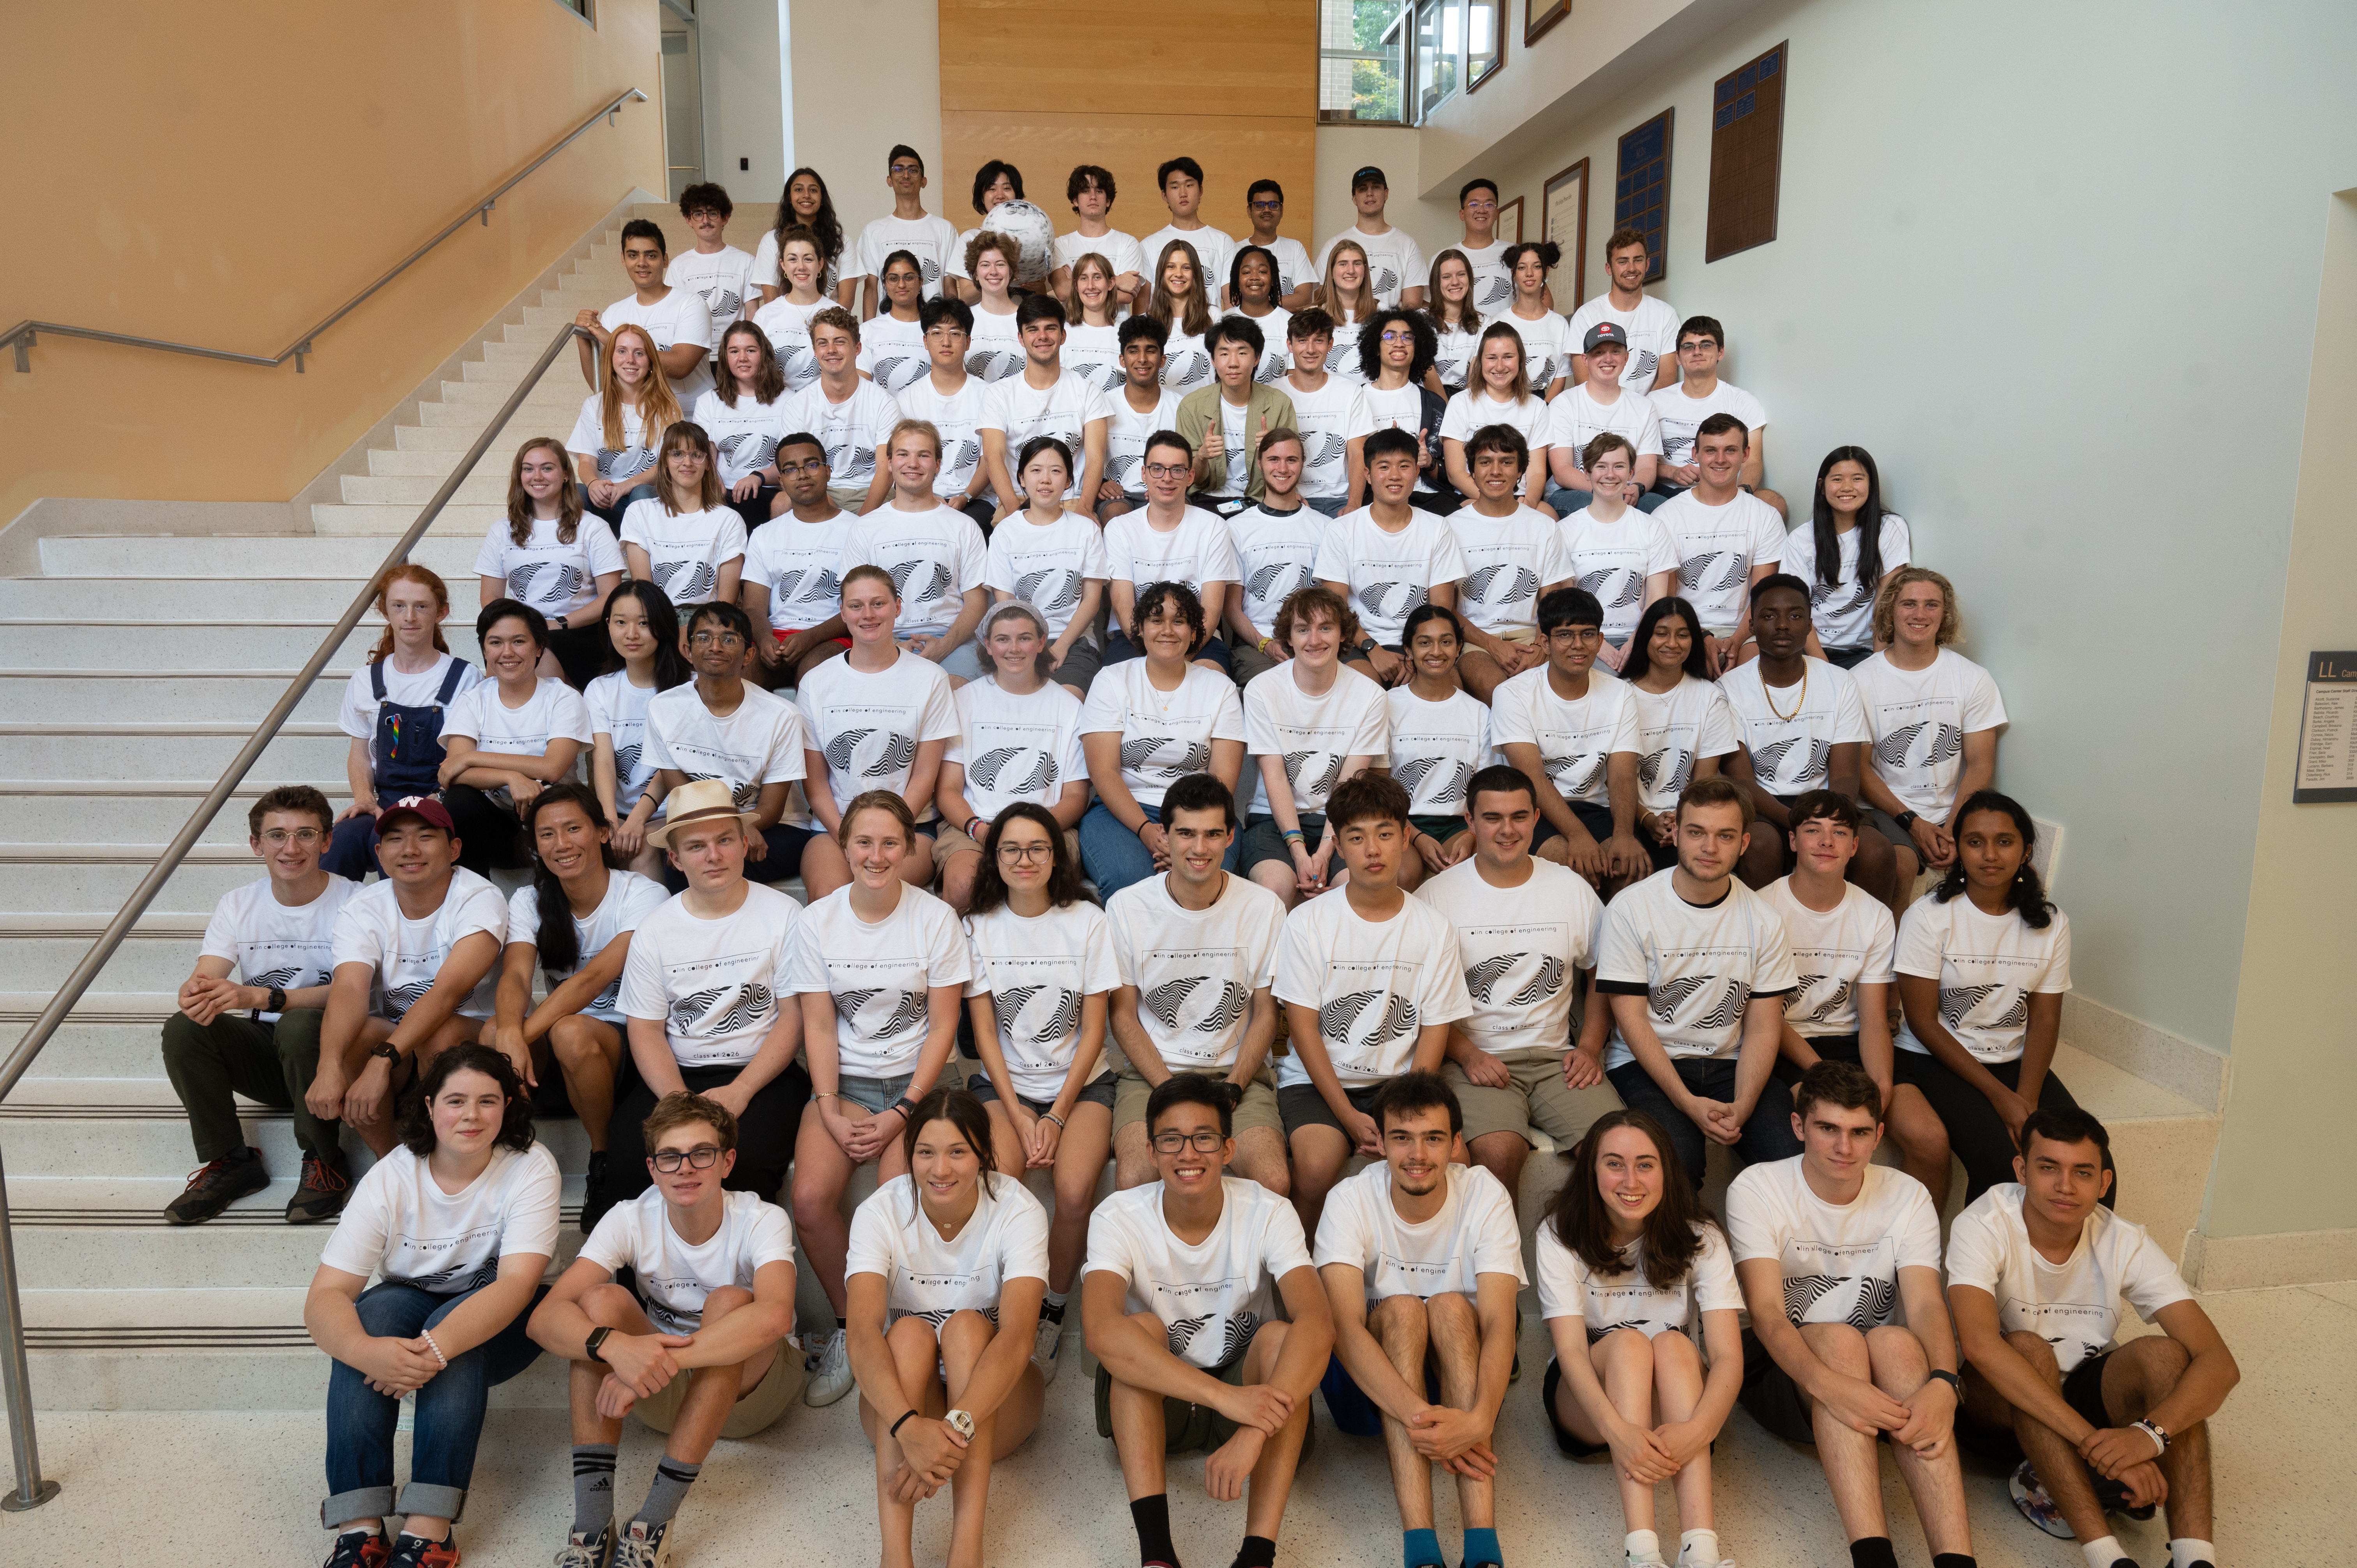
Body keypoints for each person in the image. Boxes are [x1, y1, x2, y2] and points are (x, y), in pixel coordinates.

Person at [1948, 1108, 2235, 1568]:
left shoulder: (2124, 1240)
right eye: (2049, 1168)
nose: (2066, 1185)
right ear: (2022, 1170)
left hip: (2077, 1393)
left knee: (2166, 1356)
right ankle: (2107, 1556)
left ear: (2103, 1183)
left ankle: (2196, 1558)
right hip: (1994, 1409)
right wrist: (2100, 1448)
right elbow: (1981, 1345)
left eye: (2082, 1172)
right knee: (2026, 1349)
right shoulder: (1983, 1224)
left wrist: (2148, 1437)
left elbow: (2219, 1363)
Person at [305, 1045, 557, 1568]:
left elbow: (515, 1286)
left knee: (457, 1331)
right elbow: (325, 1298)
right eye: (456, 1100)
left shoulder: (530, 1167)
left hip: (509, 1319)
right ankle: (360, 1528)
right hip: (410, 1303)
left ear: (508, 1107)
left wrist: (433, 1350)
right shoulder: (392, 1178)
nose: (471, 1115)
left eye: (488, 1101)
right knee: (370, 1318)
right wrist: (367, 1353)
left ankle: (429, 1529)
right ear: (428, 1107)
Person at [530, 1090, 803, 1568]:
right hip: (660, 1393)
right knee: (597, 1303)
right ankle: (592, 1525)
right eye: (670, 1157)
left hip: (751, 1395)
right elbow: (545, 1318)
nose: (685, 1168)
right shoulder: (630, 1217)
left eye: (702, 1153)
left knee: (731, 1302)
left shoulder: (762, 1218)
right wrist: (612, 1345)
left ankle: (653, 1523)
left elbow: (777, 1315)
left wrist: (664, 1358)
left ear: (727, 1161)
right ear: (653, 1168)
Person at [1725, 1060, 1974, 1568]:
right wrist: (1827, 1382)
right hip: (1786, 1371)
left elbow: (1927, 1304)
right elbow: (1769, 1315)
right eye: (1828, 1130)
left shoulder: (1908, 1195)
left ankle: (1957, 1561)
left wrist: (1945, 1383)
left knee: (1899, 1342)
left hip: (1877, 1384)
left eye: (1860, 1133)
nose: (1845, 1148)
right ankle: (1873, 1558)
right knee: (1841, 1341)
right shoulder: (1757, 1188)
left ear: (1880, 1134)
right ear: (1799, 1127)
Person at [1083, 1074, 1333, 1568]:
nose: (1188, 1153)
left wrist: (1254, 1430)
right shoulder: (1118, 1215)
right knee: (1136, 1335)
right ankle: (1157, 1556)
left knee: (1284, 1338)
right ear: (1152, 1152)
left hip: (1248, 1401)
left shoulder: (1270, 1211)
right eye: (1171, 1139)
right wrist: (1223, 1396)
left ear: (1228, 1148)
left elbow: (1319, 1323)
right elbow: (1100, 1330)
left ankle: (1258, 1554)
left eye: (1204, 1138)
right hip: (1168, 1399)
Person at [787, 790, 974, 1406]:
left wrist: (903, 1110)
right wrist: (828, 1106)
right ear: (843, 848)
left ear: (911, 848)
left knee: (900, 1202)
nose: (876, 855)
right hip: (846, 1083)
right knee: (811, 1200)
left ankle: (905, 1330)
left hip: (923, 1083)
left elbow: (945, 1025)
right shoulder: (815, 922)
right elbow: (817, 1026)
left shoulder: (935, 918)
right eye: (863, 842)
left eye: (890, 842)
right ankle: (852, 1328)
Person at [1313, 1073, 1523, 1568]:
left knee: (1451, 1306)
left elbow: (1499, 1324)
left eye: (1433, 1138)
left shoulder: (1485, 1194)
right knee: (1406, 1309)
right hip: (1370, 1390)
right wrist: (1423, 1421)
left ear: (1455, 1144)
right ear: (1380, 1143)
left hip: (1461, 1380)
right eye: (1402, 1137)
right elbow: (1343, 1329)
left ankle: (1483, 1550)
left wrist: (1476, 1420)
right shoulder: (1350, 1199)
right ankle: (1422, 1549)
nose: (1418, 1154)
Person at [847, 1088, 1051, 1568]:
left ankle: (966, 1551)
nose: (941, 1170)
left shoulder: (1018, 1210)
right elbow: (860, 1334)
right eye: (926, 1152)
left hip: (991, 1408)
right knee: (909, 1333)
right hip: (901, 1408)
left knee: (967, 1328)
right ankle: (895, 1557)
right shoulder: (880, 1212)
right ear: (909, 1154)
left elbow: (1020, 1336)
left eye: (958, 1151)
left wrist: (951, 1432)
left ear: (983, 1153)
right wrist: (907, 1427)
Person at [1535, 1110, 1744, 1568]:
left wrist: (1700, 1430)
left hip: (1676, 1405)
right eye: (1615, 1163)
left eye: (1646, 1164)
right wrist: (1619, 1433)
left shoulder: (1701, 1237)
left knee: (1673, 1344)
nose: (1631, 1180)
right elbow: (1570, 1351)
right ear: (1591, 1169)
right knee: (1631, 1344)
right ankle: (1643, 1552)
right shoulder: (1559, 1233)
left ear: (1667, 1170)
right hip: (1592, 1408)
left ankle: (1701, 1552)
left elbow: (1729, 1358)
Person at [1273, 773, 1472, 1235]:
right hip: (1317, 1084)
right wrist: (1347, 1114)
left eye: (1385, 834)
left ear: (1406, 836)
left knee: (1456, 1158)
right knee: (1317, 1165)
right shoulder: (1308, 923)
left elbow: (1435, 1027)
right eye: (1357, 838)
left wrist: (1405, 1113)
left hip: (1402, 1082)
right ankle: (1301, 1272)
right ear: (1339, 846)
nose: (1373, 850)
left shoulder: (1433, 927)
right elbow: (1302, 1029)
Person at [961, 805, 1120, 1377]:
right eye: (1011, 849)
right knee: (999, 1183)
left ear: (1057, 856)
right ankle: (1001, 1310)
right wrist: (1019, 1113)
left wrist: (1053, 1115)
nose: (1024, 860)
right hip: (1004, 1086)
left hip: (1081, 1088)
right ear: (995, 859)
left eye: (1037, 848)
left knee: (1076, 1192)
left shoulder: (1087, 920)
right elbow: (984, 1036)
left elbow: (1095, 1029)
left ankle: (1051, 1310)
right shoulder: (977, 926)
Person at [609, 777, 810, 1225]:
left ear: (745, 844)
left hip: (761, 1074)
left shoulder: (785, 915)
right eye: (697, 846)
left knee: (748, 1166)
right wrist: (681, 1103)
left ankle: (745, 1286)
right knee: (626, 1168)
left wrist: (741, 1090)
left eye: (724, 840)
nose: (714, 856)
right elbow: (644, 1028)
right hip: (675, 1074)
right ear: (676, 859)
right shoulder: (656, 928)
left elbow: (794, 1017)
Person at [162, 785, 359, 1225]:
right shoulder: (238, 903)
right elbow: (206, 974)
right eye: (277, 835)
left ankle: (325, 1160)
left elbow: (354, 989)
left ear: (327, 841)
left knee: (300, 1023)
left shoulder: (355, 901)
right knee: (184, 1027)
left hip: (334, 1054)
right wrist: (196, 992)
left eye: (306, 834)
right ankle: (232, 1161)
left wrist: (264, 997)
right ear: (256, 845)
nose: (291, 848)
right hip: (270, 1059)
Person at [1419, 765, 1616, 1202]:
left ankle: (1594, 1265)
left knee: (1612, 1152)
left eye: (1519, 817)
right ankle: (1501, 1270)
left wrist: (1589, 1046)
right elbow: (1422, 999)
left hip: (1558, 1060)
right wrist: (1468, 1055)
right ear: (1470, 821)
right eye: (1492, 818)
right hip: (1476, 1061)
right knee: (1498, 1155)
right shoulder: (1436, 896)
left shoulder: (1572, 889)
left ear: (1537, 817)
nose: (1507, 830)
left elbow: (1601, 971)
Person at [1595, 777, 1802, 1184]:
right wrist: (1687, 1102)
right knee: (1678, 1162)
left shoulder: (1764, 920)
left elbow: (1763, 1026)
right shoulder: (1631, 909)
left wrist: (1743, 1104)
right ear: (1675, 835)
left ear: (1744, 844)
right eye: (1697, 832)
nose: (1710, 848)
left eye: (1725, 836)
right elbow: (1631, 1021)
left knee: (1790, 1158)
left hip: (1730, 1063)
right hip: (1646, 1064)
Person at [486, 784, 666, 1234]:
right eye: (547, 834)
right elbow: (514, 977)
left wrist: (518, 1037)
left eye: (573, 829)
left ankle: (600, 1159)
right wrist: (507, 1033)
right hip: (562, 1049)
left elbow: (591, 980)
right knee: (492, 1030)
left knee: (567, 1031)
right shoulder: (529, 901)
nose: (562, 844)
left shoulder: (642, 894)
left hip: (626, 1043)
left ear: (603, 833)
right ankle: (501, 1159)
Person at [1894, 790, 2087, 1210]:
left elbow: (2046, 1022)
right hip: (1933, 1057)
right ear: (1959, 849)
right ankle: (1977, 1272)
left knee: (2092, 1166)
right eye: (1975, 842)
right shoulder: (1928, 917)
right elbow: (1923, 1022)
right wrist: (2003, 1099)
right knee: (2003, 1164)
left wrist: (2028, 1100)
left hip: (2012, 1060)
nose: (1990, 854)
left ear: (2027, 850)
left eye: (2005, 841)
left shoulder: (2052, 924)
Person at [1753, 790, 1948, 1197]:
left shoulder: (1875, 916)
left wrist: (1880, 1081)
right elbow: (1766, 1018)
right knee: (1829, 1132)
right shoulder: (1762, 909)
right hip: (1786, 1046)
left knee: (1930, 1140)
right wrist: (1823, 1073)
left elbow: (1875, 1019)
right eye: (1813, 830)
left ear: (1855, 845)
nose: (1826, 841)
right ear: (1793, 841)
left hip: (1851, 1043)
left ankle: (1914, 1251)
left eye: (1839, 832)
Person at [1104, 775, 1290, 1194]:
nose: (1200, 848)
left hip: (1235, 1075)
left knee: (1274, 1180)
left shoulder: (1263, 908)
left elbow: (1266, 1013)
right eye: (1186, 833)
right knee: (1134, 1178)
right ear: (1164, 837)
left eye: (1212, 834)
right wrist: (1169, 1088)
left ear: (1230, 837)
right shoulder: (1128, 907)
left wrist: (1234, 1088)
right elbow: (1123, 1016)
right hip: (1153, 1072)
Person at [1719, 574, 1893, 897]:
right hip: (1763, 806)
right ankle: (1759, 943)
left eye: (1796, 616)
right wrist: (1796, 823)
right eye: (1769, 616)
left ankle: (1867, 944)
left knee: (1877, 852)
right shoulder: (1729, 689)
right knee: (1759, 845)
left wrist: (1822, 823)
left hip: (1828, 802)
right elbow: (1742, 782)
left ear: (1811, 624)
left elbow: (1844, 774)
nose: (1783, 625)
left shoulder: (1840, 683)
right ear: (1753, 626)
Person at [795, 565, 962, 897]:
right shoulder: (817, 682)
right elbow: (814, 785)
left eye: (879, 604)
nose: (868, 615)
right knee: (830, 896)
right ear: (842, 612)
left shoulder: (930, 679)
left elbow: (925, 778)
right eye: (856, 606)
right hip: (835, 825)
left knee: (876, 891)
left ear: (898, 607)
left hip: (910, 825)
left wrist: (884, 836)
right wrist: (849, 837)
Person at [1078, 581, 1248, 897]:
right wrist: (1146, 830)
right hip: (1122, 812)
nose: (1167, 630)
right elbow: (1104, 772)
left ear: (1194, 632)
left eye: (1179, 621)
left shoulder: (1218, 688)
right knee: (1133, 884)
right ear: (1140, 629)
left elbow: (1222, 780)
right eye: (1156, 620)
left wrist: (1185, 836)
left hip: (1202, 813)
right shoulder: (1113, 680)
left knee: (1199, 881)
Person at [1850, 568, 2006, 908]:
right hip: (1885, 811)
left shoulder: (1973, 679)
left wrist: (1952, 829)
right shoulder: (1859, 681)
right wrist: (1914, 823)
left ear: (1945, 613)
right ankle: (1889, 960)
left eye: (1931, 605)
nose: (1920, 614)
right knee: (1902, 864)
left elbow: (1981, 764)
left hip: (1951, 811)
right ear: (1891, 611)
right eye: (1909, 604)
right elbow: (1859, 770)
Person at [640, 600, 813, 891]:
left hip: (773, 828)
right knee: (689, 862)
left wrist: (740, 829)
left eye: (729, 639)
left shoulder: (782, 715)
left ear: (749, 655)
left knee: (705, 862)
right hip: (701, 821)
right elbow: (679, 789)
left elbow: (771, 806)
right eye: (704, 638)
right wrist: (719, 834)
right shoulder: (662, 708)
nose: (715, 647)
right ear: (688, 650)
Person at [325, 565, 480, 881]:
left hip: (442, 797)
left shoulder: (466, 677)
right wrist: (365, 800)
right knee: (340, 841)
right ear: (385, 611)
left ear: (441, 613)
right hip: (386, 798)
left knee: (394, 844)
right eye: (399, 606)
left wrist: (432, 801)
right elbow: (359, 755)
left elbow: (468, 756)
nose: (410, 616)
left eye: (421, 606)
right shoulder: (366, 679)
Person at [1239, 585, 1388, 907]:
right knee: (1277, 889)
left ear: (1343, 635)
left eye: (1326, 628)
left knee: (1354, 891)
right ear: (1289, 638)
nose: (1315, 640)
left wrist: (1323, 852)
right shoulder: (1261, 689)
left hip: (1344, 819)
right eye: (1303, 629)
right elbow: (1274, 775)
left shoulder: (1370, 695)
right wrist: (1298, 850)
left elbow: (1350, 782)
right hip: (1272, 819)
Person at [936, 602, 1091, 912]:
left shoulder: (1069, 706)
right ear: (988, 646)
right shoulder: (963, 700)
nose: (1014, 648)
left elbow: (1076, 796)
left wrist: (1030, 835)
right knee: (964, 887)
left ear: (1041, 642)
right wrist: (981, 831)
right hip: (975, 826)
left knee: (1039, 890)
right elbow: (948, 790)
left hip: (1048, 826)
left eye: (1024, 638)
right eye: (1003, 639)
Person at [1490, 586, 1647, 887]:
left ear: (1601, 641)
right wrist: (1578, 837)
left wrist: (1624, 836)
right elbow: (1533, 779)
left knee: (1627, 869)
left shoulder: (1620, 693)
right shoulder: (1513, 694)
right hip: (1533, 810)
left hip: (1596, 808)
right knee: (1572, 868)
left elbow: (1623, 776)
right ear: (1545, 643)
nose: (1578, 645)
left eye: (1588, 635)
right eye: (1565, 635)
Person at [433, 598, 590, 875]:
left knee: (554, 803)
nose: (507, 653)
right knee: (459, 799)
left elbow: (552, 768)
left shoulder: (562, 697)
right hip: (498, 828)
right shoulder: (474, 700)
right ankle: (473, 898)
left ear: (539, 647)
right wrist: (511, 777)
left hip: (553, 817)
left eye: (519, 641)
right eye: (496, 643)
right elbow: (452, 774)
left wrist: (471, 758)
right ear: (484, 648)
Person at [1318, 426, 1466, 686]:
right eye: (1384, 467)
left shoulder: (1438, 528)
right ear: (1367, 474)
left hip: (1420, 644)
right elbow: (1335, 608)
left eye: (1404, 466)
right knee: (1365, 691)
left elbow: (1441, 609)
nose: (1394, 476)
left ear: (1417, 472)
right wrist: (1373, 650)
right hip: (1359, 642)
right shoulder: (1341, 530)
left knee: (1451, 689)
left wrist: (1414, 655)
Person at [845, 418, 991, 677]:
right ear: (889, 463)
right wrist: (890, 646)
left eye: (923, 455)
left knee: (952, 697)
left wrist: (943, 648)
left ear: (937, 465)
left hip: (954, 641)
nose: (912, 464)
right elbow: (854, 603)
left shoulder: (964, 527)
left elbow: (976, 603)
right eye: (903, 455)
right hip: (883, 640)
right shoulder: (864, 528)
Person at [473, 437, 622, 690]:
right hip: (521, 629)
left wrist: (558, 623)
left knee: (542, 651)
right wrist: (520, 626)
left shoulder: (592, 527)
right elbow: (490, 597)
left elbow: (611, 596)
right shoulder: (502, 531)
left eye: (547, 468)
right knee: (509, 642)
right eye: (528, 468)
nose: (537, 476)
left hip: (578, 631)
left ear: (565, 475)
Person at [1446, 424, 1573, 701]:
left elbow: (1552, 601)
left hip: (1532, 636)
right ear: (1473, 470)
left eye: (1506, 462)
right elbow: (1445, 608)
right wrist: (1493, 645)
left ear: (1520, 471)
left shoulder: (1544, 527)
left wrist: (1542, 645)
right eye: (1485, 462)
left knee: (1551, 693)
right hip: (1475, 641)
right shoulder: (1450, 528)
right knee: (1501, 694)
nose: (1496, 471)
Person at [1652, 414, 1785, 671]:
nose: (1720, 460)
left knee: (1754, 672)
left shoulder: (1765, 517)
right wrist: (1701, 637)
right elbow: (1666, 600)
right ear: (1696, 454)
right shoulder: (1666, 516)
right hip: (1683, 627)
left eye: (1731, 451)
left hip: (1746, 630)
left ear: (1746, 454)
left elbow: (1763, 596)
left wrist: (1736, 640)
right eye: (1711, 451)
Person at [978, 441, 1108, 697]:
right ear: (1022, 479)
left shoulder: (1086, 530)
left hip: (1074, 641)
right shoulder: (1006, 532)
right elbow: (1006, 607)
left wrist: (1060, 647)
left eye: (1056, 472)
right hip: (1019, 642)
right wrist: (1028, 647)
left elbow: (1092, 601)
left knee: (1065, 703)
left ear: (1069, 481)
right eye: (1036, 470)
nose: (1045, 480)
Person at [1104, 434, 1242, 674]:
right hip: (1135, 639)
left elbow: (1211, 608)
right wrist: (1158, 659)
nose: (1167, 478)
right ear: (1144, 474)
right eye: (1157, 469)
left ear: (1190, 476)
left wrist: (1180, 657)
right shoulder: (1120, 529)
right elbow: (1123, 607)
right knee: (1120, 687)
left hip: (1197, 639)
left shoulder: (1214, 527)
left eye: (1177, 470)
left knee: (1209, 682)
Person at [1620, 598, 1741, 869]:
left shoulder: (1710, 697)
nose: (1672, 644)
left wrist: (1681, 818)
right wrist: (1647, 819)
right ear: (1645, 638)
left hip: (1689, 817)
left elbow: (1703, 782)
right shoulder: (1620, 695)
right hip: (1627, 814)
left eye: (1683, 635)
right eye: (1662, 634)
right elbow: (1613, 777)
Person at [977, 293, 1111, 521]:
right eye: (1033, 330)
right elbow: (993, 456)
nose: (1042, 337)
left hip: (1073, 501)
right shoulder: (997, 394)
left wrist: (1086, 508)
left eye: (1050, 328)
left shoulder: (1088, 391)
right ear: (1020, 338)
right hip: (1018, 500)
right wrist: (1014, 513)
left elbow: (1096, 456)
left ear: (1063, 335)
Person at [739, 430, 856, 689]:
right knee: (741, 676)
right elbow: (754, 609)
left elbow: (858, 607)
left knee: (814, 673)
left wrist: (811, 637)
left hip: (835, 637)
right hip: (777, 638)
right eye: (791, 470)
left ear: (827, 471)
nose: (802, 475)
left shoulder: (857, 530)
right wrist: (766, 639)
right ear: (781, 480)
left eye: (811, 465)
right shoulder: (764, 535)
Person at [1555, 433, 1679, 673]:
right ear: (1588, 472)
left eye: (1619, 466)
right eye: (1601, 466)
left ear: (1631, 473)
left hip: (1642, 637)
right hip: (1584, 641)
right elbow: (1568, 602)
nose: (1610, 475)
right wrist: (1597, 644)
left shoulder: (1652, 528)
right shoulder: (1565, 531)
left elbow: (1656, 600)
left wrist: (1636, 641)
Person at [1383, 606, 1489, 889]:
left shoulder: (1478, 713)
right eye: (1425, 642)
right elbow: (1378, 784)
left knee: (1466, 879)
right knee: (1400, 877)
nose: (1436, 651)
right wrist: (1415, 835)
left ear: (1458, 649)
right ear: (1409, 649)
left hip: (1459, 823)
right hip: (1400, 821)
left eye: (1446, 642)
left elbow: (1486, 787)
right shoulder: (1387, 706)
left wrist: (1472, 835)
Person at [1785, 447, 1912, 668]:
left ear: (1871, 485)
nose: (1847, 488)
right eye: (1837, 479)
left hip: (1865, 652)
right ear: (1822, 487)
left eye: (1857, 479)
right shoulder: (1800, 539)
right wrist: (1822, 666)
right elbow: (1796, 608)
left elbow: (1887, 601)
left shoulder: (1890, 528)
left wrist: (1876, 664)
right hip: (1810, 650)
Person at [1221, 426, 1327, 684]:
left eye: (1292, 460)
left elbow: (1332, 602)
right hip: (1257, 645)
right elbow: (1232, 608)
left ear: (1302, 464)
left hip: (1314, 643)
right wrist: (1265, 644)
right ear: (1260, 463)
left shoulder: (1326, 527)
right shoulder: (1236, 528)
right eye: (1274, 460)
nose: (1283, 469)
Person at [1650, 317, 1782, 514]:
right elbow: (1638, 461)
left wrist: (1741, 493)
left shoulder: (1742, 402)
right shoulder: (1654, 401)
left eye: (1706, 345)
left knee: (1774, 502)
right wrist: (1674, 472)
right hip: (1668, 492)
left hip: (1727, 491)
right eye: (1688, 347)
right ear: (1677, 357)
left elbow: (1752, 461)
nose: (1697, 352)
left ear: (1721, 352)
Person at [575, 217, 714, 404]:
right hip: (640, 417)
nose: (642, 263)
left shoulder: (691, 304)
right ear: (623, 259)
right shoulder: (614, 313)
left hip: (692, 416)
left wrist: (612, 340)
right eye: (633, 255)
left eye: (651, 255)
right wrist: (583, 337)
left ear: (665, 260)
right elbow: (600, 384)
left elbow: (682, 367)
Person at [782, 307, 903, 513]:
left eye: (840, 342)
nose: (831, 350)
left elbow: (886, 471)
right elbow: (794, 468)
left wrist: (861, 523)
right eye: (823, 343)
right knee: (780, 504)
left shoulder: (884, 403)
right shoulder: (797, 405)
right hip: (820, 491)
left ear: (857, 348)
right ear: (814, 350)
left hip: (870, 490)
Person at [892, 296, 997, 531]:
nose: (946, 342)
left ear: (968, 341)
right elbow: (902, 460)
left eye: (955, 334)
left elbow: (990, 459)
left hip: (976, 500)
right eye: (937, 333)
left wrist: (966, 497)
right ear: (926, 341)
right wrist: (928, 496)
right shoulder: (908, 398)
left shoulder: (988, 395)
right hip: (920, 495)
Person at [618, 421, 747, 610]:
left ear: (708, 464)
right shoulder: (639, 513)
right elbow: (644, 595)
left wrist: (692, 629)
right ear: (665, 461)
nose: (688, 462)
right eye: (678, 454)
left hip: (708, 621)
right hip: (659, 617)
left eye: (697, 455)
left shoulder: (729, 520)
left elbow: (726, 603)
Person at [1178, 317, 1298, 514]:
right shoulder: (1192, 406)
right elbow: (1190, 478)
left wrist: (1274, 451)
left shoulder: (1280, 404)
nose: (1233, 363)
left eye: (1242, 353)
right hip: (1207, 502)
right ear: (1213, 360)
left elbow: (1292, 466)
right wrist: (1201, 456)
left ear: (1257, 358)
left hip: (1263, 501)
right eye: (1224, 354)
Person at [1546, 323, 1667, 516]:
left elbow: (1647, 468)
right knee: (1590, 505)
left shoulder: (1644, 407)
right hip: (1573, 491)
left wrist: (1636, 487)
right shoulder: (1564, 403)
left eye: (1616, 352)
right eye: (1599, 353)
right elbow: (1562, 470)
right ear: (1585, 359)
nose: (1608, 359)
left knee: (1662, 507)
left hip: (1626, 491)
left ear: (1626, 358)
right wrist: (1607, 492)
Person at [567, 322, 680, 527]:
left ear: (650, 362)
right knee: (577, 492)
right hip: (605, 498)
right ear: (611, 359)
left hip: (644, 497)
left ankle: (640, 552)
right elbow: (586, 462)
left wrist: (628, 486)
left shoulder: (667, 408)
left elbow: (667, 464)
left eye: (639, 353)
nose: (631, 360)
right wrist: (593, 484)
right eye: (622, 351)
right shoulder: (594, 405)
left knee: (642, 492)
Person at [692, 321, 793, 536]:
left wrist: (758, 477)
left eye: (751, 350)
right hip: (722, 489)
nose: (743, 358)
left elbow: (791, 461)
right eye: (734, 351)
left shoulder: (788, 401)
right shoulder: (708, 402)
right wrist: (714, 484)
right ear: (725, 356)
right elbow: (706, 456)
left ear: (763, 354)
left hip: (768, 488)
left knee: (755, 503)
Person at [1440, 325, 1552, 512]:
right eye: (1492, 358)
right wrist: (1496, 500)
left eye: (1508, 357)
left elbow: (1538, 472)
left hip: (1521, 499)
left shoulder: (1537, 406)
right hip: (1474, 495)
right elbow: (1456, 473)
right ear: (1480, 362)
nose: (1500, 367)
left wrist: (1529, 506)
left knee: (1548, 515)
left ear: (1521, 360)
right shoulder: (1460, 403)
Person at [1350, 308, 1450, 511]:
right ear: (1376, 348)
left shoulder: (1434, 404)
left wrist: (1428, 462)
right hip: (1375, 499)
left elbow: (1452, 472)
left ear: (1417, 348)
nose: (1399, 343)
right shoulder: (1355, 399)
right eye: (1389, 336)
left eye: (1408, 337)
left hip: (1429, 498)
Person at [1280, 308, 1371, 519]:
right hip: (1290, 497)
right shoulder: (1274, 393)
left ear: (1330, 344)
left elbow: (1357, 453)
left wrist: (1354, 505)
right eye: (1302, 341)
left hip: (1340, 500)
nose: (1310, 349)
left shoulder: (1350, 392)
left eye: (1319, 341)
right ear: (1290, 345)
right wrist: (1288, 495)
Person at [1567, 228, 1679, 392]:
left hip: (1647, 413)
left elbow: (1668, 377)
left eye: (1638, 260)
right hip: (1599, 412)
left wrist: (1642, 412)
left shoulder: (1665, 315)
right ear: (1609, 268)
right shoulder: (1586, 316)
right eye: (1623, 262)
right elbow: (1583, 381)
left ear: (1647, 264)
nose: (1631, 268)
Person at [855, 145, 962, 310]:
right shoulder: (873, 231)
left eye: (913, 170)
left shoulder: (945, 229)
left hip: (934, 324)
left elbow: (950, 288)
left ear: (923, 181)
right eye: (899, 169)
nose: (906, 175)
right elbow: (870, 289)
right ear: (889, 180)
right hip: (890, 324)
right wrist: (867, 333)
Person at [666, 182, 756, 370]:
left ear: (725, 218)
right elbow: (673, 315)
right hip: (693, 357)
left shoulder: (746, 261)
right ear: (688, 220)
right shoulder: (679, 266)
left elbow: (752, 313)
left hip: (734, 357)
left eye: (713, 213)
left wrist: (747, 352)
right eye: (698, 214)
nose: (705, 220)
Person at [1101, 315, 1183, 517]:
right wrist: (1102, 483)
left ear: (1163, 360)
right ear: (1122, 360)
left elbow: (1187, 464)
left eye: (1151, 350)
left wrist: (1166, 486)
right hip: (1120, 496)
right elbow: (1088, 458)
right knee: (1116, 514)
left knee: (1167, 512)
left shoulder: (1181, 406)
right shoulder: (1102, 404)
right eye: (1133, 351)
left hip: (1169, 490)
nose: (1143, 359)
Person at [1140, 157, 1237, 323]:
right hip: (1163, 336)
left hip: (1209, 333)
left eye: (1189, 185)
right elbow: (1142, 307)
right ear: (1164, 195)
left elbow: (1231, 303)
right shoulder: (1149, 245)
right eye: (1175, 187)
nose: (1183, 193)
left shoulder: (1223, 242)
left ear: (1200, 190)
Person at [1317, 166, 1428, 310]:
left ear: (1386, 194)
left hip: (1388, 330)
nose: (1370, 193)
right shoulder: (1334, 245)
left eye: (1376, 187)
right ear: (1354, 198)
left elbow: (1412, 304)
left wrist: (1384, 326)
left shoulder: (1407, 244)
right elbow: (1322, 299)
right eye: (1363, 189)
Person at [756, 225, 848, 392]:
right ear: (783, 265)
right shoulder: (765, 315)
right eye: (793, 259)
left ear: (820, 264)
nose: (801, 267)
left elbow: (848, 370)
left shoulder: (838, 313)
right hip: (777, 405)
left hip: (826, 407)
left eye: (808, 259)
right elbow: (758, 371)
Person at [756, 165, 852, 306]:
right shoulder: (771, 241)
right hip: (785, 325)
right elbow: (771, 302)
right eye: (799, 190)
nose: (806, 195)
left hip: (831, 324)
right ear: (789, 197)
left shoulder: (842, 241)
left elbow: (847, 300)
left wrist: (826, 326)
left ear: (822, 198)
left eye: (813, 190)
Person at [1054, 163, 1146, 307]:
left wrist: (1077, 281)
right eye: (1085, 191)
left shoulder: (1128, 243)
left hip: (1117, 329)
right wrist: (1119, 281)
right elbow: (1062, 291)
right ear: (1075, 201)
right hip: (1073, 329)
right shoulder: (1061, 245)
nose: (1093, 197)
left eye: (1099, 191)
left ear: (1108, 201)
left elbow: (1126, 296)